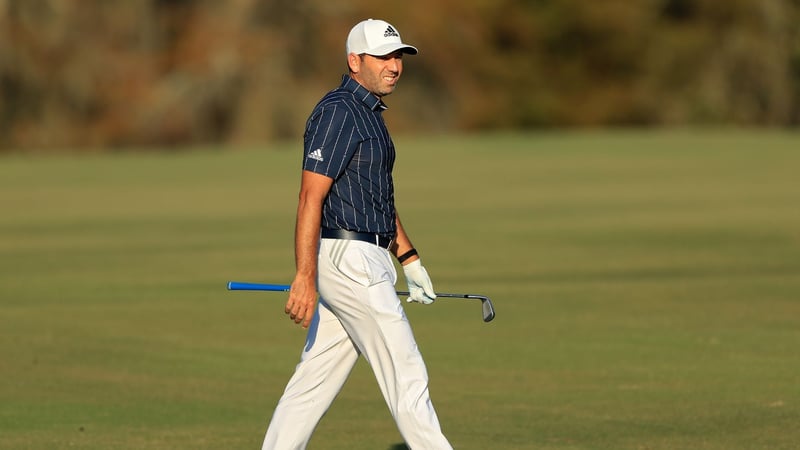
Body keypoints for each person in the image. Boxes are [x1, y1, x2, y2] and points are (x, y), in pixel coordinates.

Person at [261, 18, 453, 450]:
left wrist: (409, 259)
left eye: (398, 57)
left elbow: (377, 196)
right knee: (406, 372)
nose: (394, 66)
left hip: (367, 259)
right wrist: (304, 277)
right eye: (383, 57)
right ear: (354, 60)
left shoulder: (369, 116)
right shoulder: (337, 112)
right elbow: (310, 197)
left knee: (313, 382)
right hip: (349, 262)